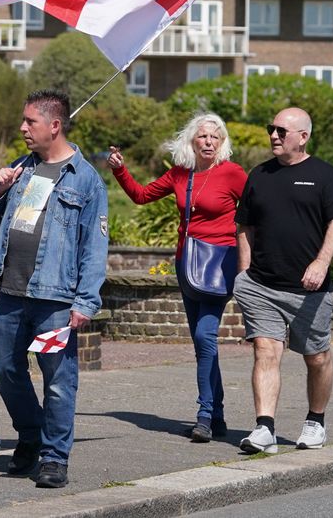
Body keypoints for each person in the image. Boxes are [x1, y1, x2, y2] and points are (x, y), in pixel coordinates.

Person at [0, 89, 108, 489]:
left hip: (55, 298)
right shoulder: (22, 169)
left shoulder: (85, 179)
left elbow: (94, 247)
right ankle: (31, 434)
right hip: (12, 292)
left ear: (54, 125)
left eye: (30, 121)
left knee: (57, 380)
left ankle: (54, 457)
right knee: (4, 366)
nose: (22, 128)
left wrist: (85, 301)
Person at [107, 113, 247, 443]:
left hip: (220, 265)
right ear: (192, 141)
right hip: (187, 264)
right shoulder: (181, 174)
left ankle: (204, 416)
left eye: (215, 137)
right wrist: (120, 170)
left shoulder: (233, 173)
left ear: (222, 142)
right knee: (203, 343)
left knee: (204, 335)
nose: (209, 142)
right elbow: (141, 196)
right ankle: (218, 416)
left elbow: (257, 211)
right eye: (203, 136)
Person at [235, 107, 333, 454]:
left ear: (303, 137)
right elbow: (245, 225)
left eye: (281, 131)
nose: (274, 135)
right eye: (271, 129)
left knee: (317, 358)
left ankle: (316, 422)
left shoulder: (325, 175)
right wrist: (244, 273)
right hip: (262, 285)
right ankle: (264, 428)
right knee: (265, 350)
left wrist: (321, 262)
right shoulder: (259, 175)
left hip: (309, 290)